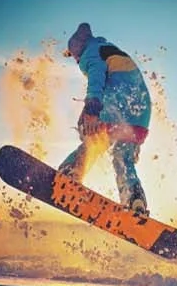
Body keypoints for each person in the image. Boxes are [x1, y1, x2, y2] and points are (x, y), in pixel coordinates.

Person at [57, 22, 154, 217]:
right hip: (141, 114)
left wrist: (92, 109)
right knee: (122, 158)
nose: (76, 61)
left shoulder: (91, 54)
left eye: (74, 56)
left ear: (78, 49)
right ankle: (134, 200)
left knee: (94, 141)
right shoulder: (108, 49)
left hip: (119, 105)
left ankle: (70, 173)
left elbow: (96, 80)